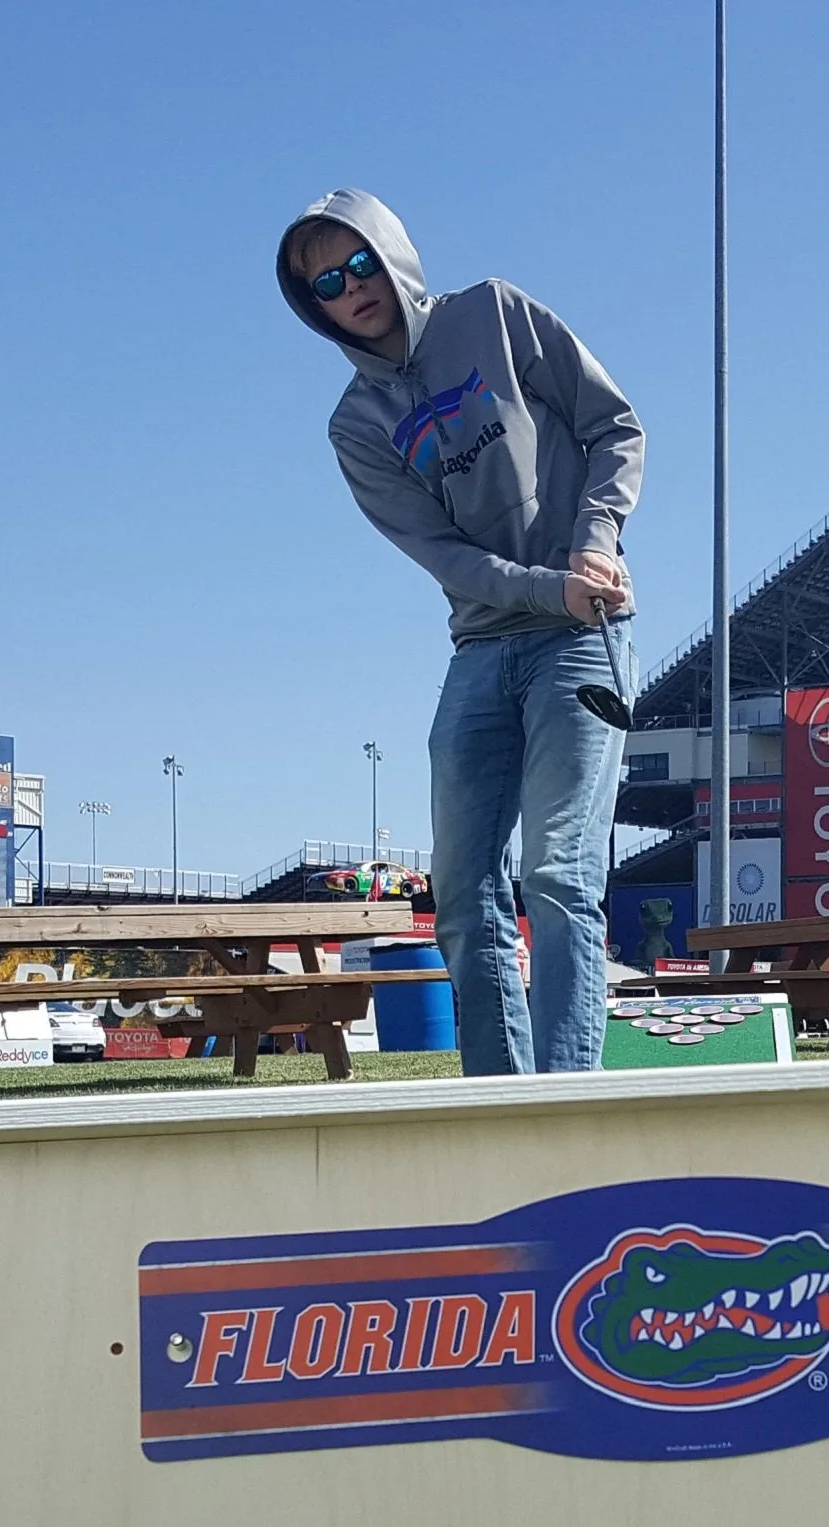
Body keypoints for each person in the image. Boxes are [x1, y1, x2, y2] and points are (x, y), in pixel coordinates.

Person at [278, 190, 644, 1075]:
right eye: (326, 281)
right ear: (313, 305)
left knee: (559, 872)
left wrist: (593, 545)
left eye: (361, 262)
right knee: (462, 892)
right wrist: (544, 588)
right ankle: (497, 1099)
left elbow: (613, 426)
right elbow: (441, 553)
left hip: (581, 640)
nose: (351, 287)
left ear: (394, 254)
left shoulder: (495, 314)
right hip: (483, 647)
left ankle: (567, 1098)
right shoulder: (356, 424)